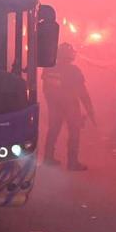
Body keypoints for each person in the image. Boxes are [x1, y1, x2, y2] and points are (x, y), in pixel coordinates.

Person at [42, 43, 95, 171]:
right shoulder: (73, 70)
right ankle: (72, 162)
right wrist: (90, 110)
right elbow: (83, 92)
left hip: (54, 105)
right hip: (70, 105)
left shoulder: (49, 68)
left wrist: (51, 103)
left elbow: (46, 88)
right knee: (74, 132)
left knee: (53, 130)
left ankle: (48, 158)